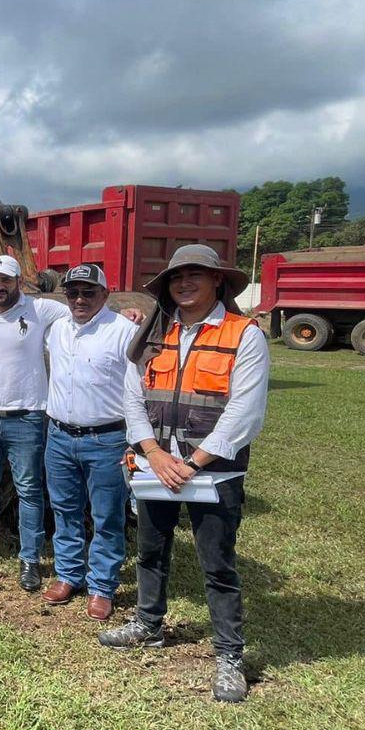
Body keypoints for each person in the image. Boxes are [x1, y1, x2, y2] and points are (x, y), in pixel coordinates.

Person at [100, 244, 269, 704]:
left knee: (218, 564)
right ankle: (149, 624)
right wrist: (153, 453)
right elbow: (133, 397)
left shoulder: (244, 335)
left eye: (196, 275)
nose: (184, 283)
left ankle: (229, 655)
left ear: (219, 282)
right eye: (177, 277)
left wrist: (194, 463)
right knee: (151, 552)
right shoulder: (156, 334)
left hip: (212, 474)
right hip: (157, 468)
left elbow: (245, 413)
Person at [0, 255, 71, 591]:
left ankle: (30, 558)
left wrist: (130, 314)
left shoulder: (41, 309)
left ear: (18, 282)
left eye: (6, 281)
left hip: (26, 417)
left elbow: (86, 312)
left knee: (29, 490)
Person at [40, 264, 138, 620]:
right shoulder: (56, 328)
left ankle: (101, 586)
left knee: (107, 516)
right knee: (64, 511)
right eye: (72, 293)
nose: (79, 299)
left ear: (105, 295)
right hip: (59, 437)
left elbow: (140, 387)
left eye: (88, 292)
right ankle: (68, 575)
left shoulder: (125, 331)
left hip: (108, 439)